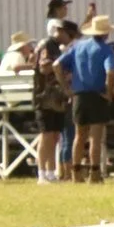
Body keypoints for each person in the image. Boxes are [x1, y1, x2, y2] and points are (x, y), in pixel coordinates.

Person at [63, 14, 114, 182]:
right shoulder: (106, 50)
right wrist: (107, 91)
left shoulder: (78, 47)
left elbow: (57, 65)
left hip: (79, 95)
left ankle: (75, 172)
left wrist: (66, 89)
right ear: (106, 33)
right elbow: (111, 72)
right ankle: (95, 172)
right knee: (95, 137)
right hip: (97, 95)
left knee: (79, 135)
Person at [31, 20, 78, 184]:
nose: (70, 39)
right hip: (45, 97)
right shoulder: (47, 45)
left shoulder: (59, 47)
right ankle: (42, 173)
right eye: (69, 35)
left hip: (57, 99)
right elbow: (43, 67)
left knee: (55, 135)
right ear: (61, 32)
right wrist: (61, 64)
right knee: (46, 134)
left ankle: (51, 172)